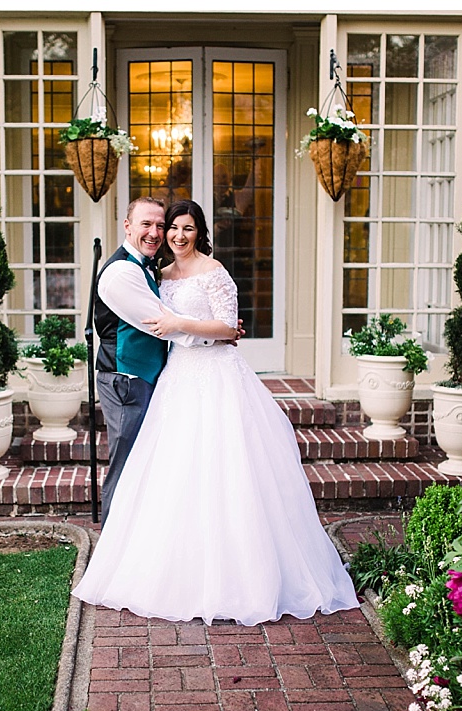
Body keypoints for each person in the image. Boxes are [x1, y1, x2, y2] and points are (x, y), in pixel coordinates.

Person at [74, 200, 359, 626]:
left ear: (199, 232)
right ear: (134, 226)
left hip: (216, 377)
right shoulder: (146, 273)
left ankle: (237, 570)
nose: (174, 235)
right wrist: (201, 331)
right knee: (168, 469)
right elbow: (162, 323)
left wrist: (206, 330)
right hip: (172, 377)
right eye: (168, 227)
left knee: (229, 468)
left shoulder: (212, 270)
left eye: (184, 228)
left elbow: (225, 326)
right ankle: (155, 559)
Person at [92, 197, 213, 522]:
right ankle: (112, 541)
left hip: (144, 377)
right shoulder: (120, 273)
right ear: (128, 226)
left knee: (144, 462)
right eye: (147, 224)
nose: (155, 232)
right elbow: (161, 323)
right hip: (125, 379)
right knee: (127, 462)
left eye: (161, 225)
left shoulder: (147, 267)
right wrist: (215, 334)